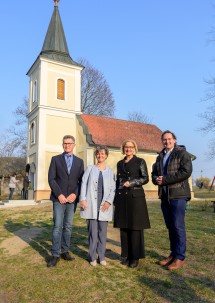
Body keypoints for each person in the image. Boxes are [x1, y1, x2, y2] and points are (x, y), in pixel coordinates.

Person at [152, 130, 192, 270]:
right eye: (164, 139)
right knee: (170, 226)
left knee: (178, 226)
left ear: (174, 140)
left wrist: (166, 180)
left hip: (178, 195)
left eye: (169, 139)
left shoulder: (182, 153)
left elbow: (186, 172)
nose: (167, 141)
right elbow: (154, 173)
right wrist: (155, 179)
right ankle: (173, 254)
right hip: (164, 195)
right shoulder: (160, 156)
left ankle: (180, 257)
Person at [47, 135, 84, 267]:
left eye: (69, 143)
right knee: (57, 226)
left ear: (74, 145)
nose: (67, 145)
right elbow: (51, 179)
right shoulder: (55, 159)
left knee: (68, 226)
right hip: (59, 199)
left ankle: (65, 251)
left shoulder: (80, 162)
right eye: (65, 143)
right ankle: (55, 254)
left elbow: (81, 181)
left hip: (72, 200)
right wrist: (59, 194)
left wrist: (75, 194)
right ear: (62, 145)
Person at [114, 139, 150, 268]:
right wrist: (115, 199)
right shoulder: (119, 163)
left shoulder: (140, 162)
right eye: (126, 147)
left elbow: (145, 178)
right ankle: (127, 255)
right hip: (122, 198)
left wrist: (132, 182)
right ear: (123, 149)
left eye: (130, 147)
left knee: (135, 227)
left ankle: (135, 257)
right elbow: (118, 181)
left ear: (135, 149)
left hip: (135, 198)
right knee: (124, 227)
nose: (128, 149)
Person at [79, 146, 115, 266]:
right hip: (91, 204)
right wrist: (83, 199)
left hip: (104, 205)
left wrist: (109, 201)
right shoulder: (90, 169)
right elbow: (83, 184)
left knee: (102, 233)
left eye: (103, 154)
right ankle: (92, 256)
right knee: (92, 232)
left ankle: (102, 256)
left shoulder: (110, 171)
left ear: (106, 156)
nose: (100, 156)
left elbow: (113, 189)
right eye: (98, 154)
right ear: (96, 155)